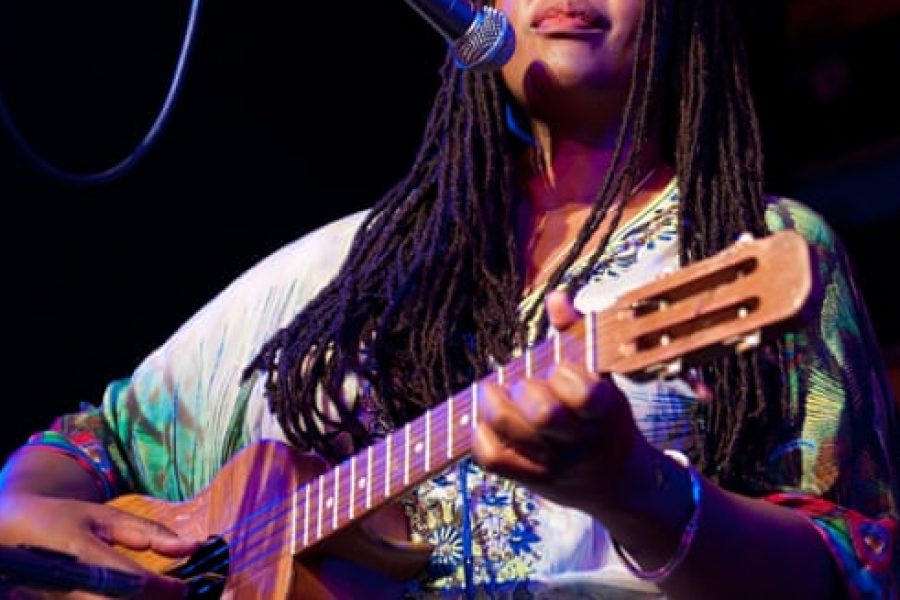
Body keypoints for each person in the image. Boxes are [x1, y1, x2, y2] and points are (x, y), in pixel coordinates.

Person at [1, 0, 897, 597]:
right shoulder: (346, 270)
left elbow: (858, 569)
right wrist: (22, 507)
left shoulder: (747, 245)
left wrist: (638, 490)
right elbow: (98, 437)